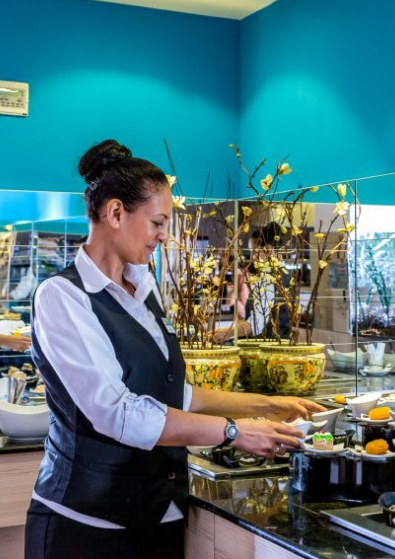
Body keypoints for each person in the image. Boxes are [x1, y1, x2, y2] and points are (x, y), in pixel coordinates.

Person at [24, 140, 325, 559]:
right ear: (115, 213)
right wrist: (233, 432)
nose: (165, 236)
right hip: (86, 527)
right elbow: (118, 412)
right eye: (157, 223)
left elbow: (173, 393)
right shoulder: (62, 297)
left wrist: (267, 405)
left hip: (161, 517)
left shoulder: (143, 290)